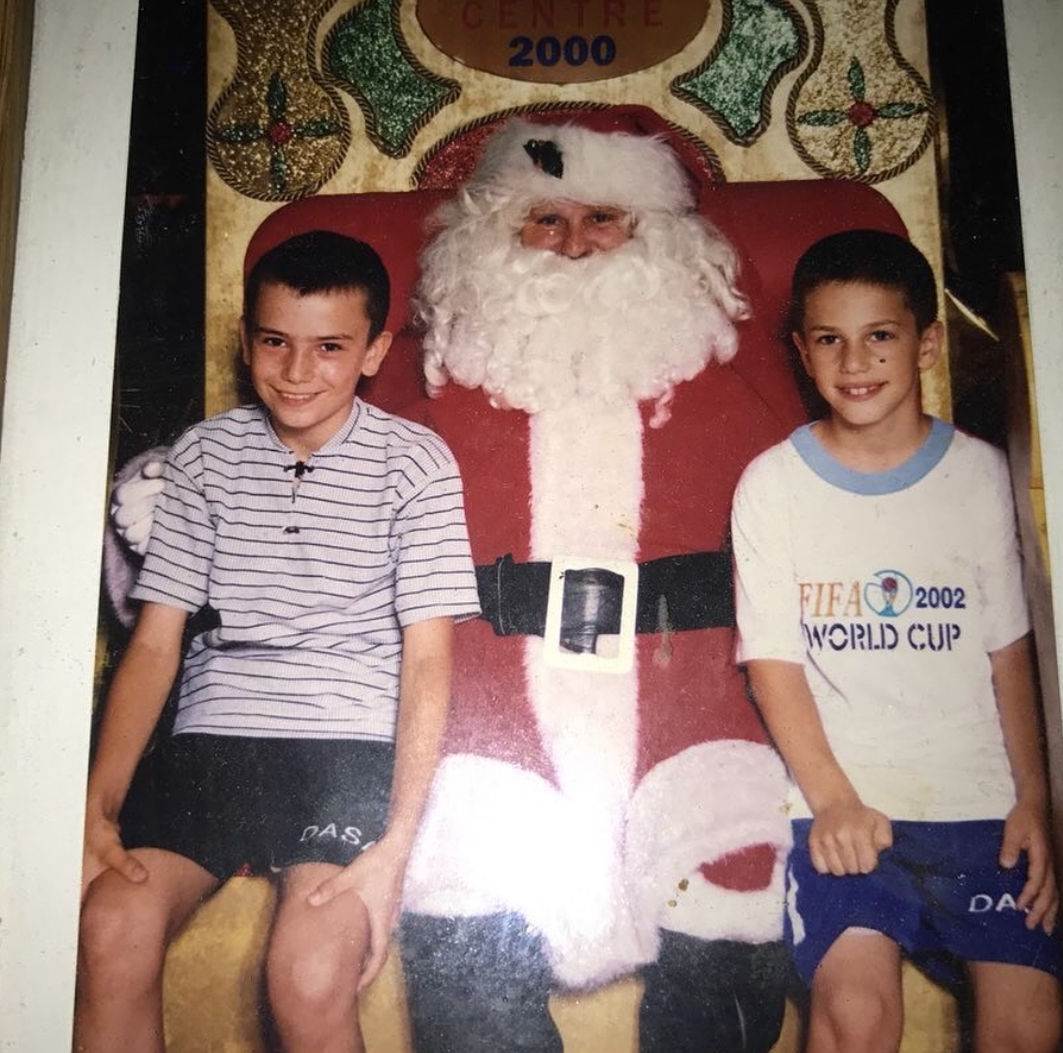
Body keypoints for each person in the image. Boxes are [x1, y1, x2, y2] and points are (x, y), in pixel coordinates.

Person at [108, 119, 807, 1051]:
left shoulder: (731, 373)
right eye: (541, 218)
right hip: (488, 716)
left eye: (603, 216)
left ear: (656, 233)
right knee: (463, 925)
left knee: (731, 907)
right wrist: (167, 499)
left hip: (693, 709)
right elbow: (305, 464)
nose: (570, 241)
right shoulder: (430, 374)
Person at [78, 231, 479, 1053]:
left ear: (374, 351)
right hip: (214, 742)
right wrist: (98, 803)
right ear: (245, 339)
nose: (298, 371)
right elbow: (156, 643)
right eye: (276, 342)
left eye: (329, 347)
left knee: (307, 972)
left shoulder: (415, 463)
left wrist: (399, 843)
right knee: (111, 924)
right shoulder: (203, 455)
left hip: (346, 752)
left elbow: (429, 659)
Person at [731, 229, 1062, 1053]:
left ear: (927, 341)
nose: (856, 362)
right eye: (830, 340)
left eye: (880, 335)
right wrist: (833, 799)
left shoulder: (982, 474)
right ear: (803, 352)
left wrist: (1032, 799)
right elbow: (774, 665)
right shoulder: (774, 483)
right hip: (845, 801)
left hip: (981, 804)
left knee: (1028, 1022)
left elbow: (1009, 653)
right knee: (858, 1015)